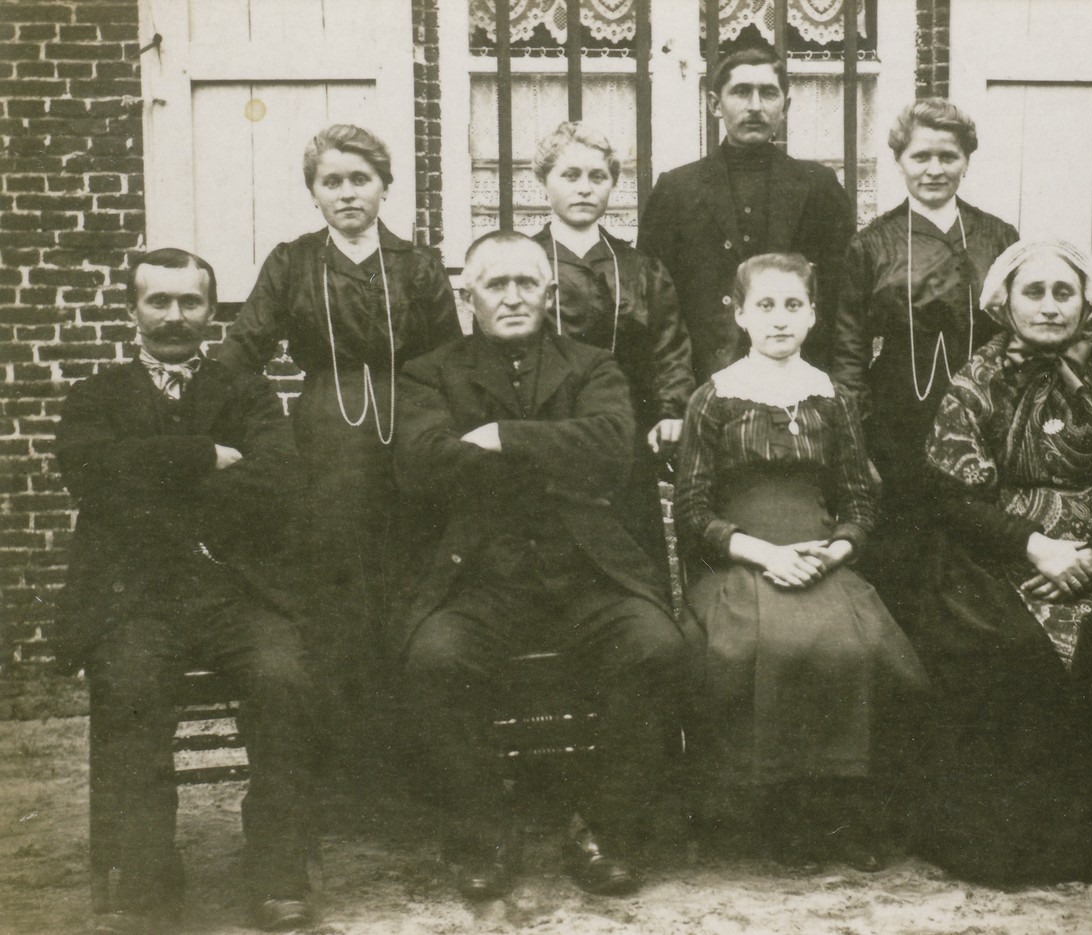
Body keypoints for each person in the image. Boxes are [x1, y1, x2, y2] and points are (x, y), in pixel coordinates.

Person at [392, 232, 689, 900]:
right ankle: (486, 834)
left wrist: (502, 437)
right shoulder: (429, 372)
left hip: (585, 570)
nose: (513, 296)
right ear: (469, 296)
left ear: (550, 293)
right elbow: (421, 462)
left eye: (527, 283)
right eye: (495, 284)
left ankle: (603, 828)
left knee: (656, 647)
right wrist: (554, 458)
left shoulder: (593, 365)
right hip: (481, 574)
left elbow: (612, 448)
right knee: (435, 659)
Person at [57, 250, 317, 933]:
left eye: (190, 302)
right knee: (129, 685)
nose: (175, 316)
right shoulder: (97, 396)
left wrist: (148, 483)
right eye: (159, 301)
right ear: (132, 311)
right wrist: (203, 456)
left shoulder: (248, 394)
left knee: (284, 679)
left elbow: (279, 479)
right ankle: (146, 879)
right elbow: (90, 471)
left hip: (236, 592)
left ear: (211, 312)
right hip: (136, 598)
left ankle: (277, 871)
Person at [910, 239, 1092, 884]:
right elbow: (950, 495)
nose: (1050, 307)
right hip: (995, 554)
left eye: (1063, 293)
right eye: (1034, 292)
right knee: (1015, 650)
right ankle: (1005, 845)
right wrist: (1036, 547)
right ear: (1005, 303)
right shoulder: (977, 381)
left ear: (1085, 303)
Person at [213, 124, 461, 780]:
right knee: (339, 592)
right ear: (314, 193)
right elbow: (241, 353)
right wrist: (234, 427)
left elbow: (451, 362)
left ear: (384, 186)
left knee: (408, 583)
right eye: (332, 182)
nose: (347, 193)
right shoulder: (292, 263)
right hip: (325, 434)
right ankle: (345, 770)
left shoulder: (419, 265)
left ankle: (416, 767)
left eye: (360, 179)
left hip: (411, 430)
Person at [675, 254, 927, 871]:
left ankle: (842, 814)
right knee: (767, 647)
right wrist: (764, 554)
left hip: (819, 558)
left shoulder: (831, 397)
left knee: (861, 648)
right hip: (741, 562)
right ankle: (778, 817)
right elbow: (692, 510)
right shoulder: (714, 398)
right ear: (740, 315)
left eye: (794, 305)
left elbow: (860, 499)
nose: (780, 319)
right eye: (765, 305)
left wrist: (834, 551)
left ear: (814, 315)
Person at [832, 98, 1019, 621]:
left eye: (948, 156)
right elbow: (848, 347)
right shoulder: (871, 243)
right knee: (904, 537)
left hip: (983, 404)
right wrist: (856, 436)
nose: (934, 169)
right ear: (899, 161)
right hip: (899, 407)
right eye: (920, 157)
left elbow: (1017, 330)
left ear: (966, 160)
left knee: (976, 534)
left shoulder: (999, 236)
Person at [638, 45, 854, 381]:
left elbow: (845, 303)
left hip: (798, 380)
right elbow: (654, 306)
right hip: (703, 381)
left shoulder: (819, 186)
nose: (755, 106)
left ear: (785, 106)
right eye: (741, 92)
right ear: (715, 104)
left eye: (768, 93)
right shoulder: (676, 189)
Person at [530, 120, 694, 559]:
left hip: (624, 436)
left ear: (613, 184)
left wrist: (672, 411)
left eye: (597, 176)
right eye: (570, 175)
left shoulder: (640, 268)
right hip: (543, 433)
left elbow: (670, 349)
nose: (585, 188)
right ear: (543, 181)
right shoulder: (521, 262)